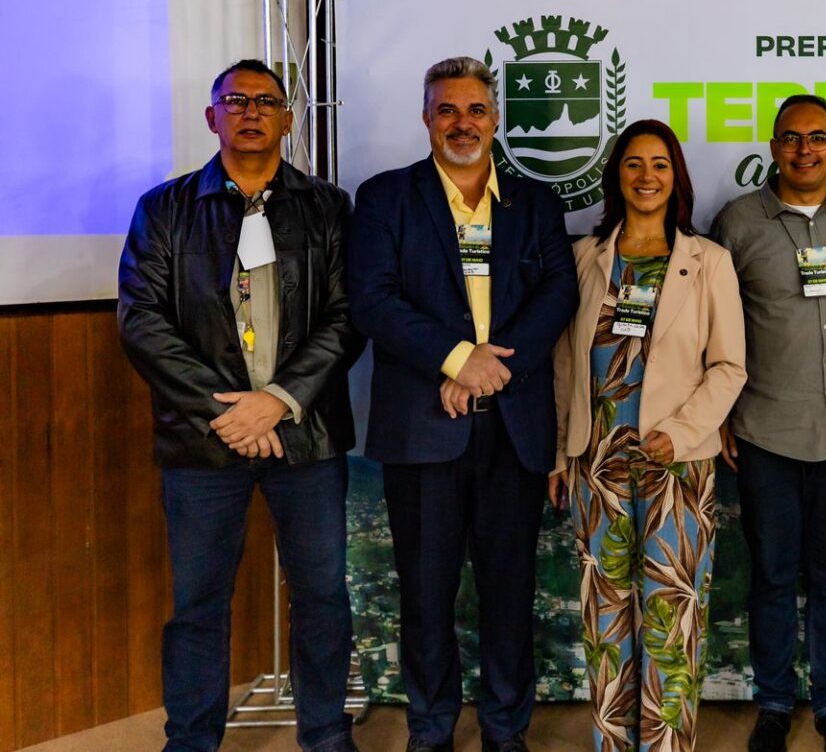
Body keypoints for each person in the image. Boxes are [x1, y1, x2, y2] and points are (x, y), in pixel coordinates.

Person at [118, 59, 360, 752]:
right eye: (235, 101)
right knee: (198, 605)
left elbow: (347, 316)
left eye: (266, 102)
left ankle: (326, 736)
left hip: (305, 435)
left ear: (287, 119)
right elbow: (142, 322)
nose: (251, 112)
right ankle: (191, 741)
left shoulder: (328, 207)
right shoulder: (163, 209)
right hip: (203, 440)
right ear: (212, 117)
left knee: (322, 597)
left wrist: (278, 401)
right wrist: (229, 412)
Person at [348, 56, 578, 752]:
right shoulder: (386, 197)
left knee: (510, 593)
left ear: (496, 118)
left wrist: (488, 371)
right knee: (425, 594)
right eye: (446, 109)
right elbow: (372, 299)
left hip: (512, 430)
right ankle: (431, 730)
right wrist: (456, 358)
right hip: (423, 429)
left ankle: (506, 730)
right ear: (425, 118)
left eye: (476, 109)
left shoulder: (535, 202)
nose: (462, 123)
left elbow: (558, 295)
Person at [548, 120, 747, 752]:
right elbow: (564, 363)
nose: (647, 176)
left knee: (671, 615)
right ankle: (613, 742)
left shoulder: (709, 261)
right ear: (616, 176)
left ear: (676, 177)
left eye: (659, 164)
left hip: (677, 465)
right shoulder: (585, 258)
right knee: (605, 615)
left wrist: (680, 434)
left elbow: (729, 367)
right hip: (595, 461)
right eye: (633, 164)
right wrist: (560, 454)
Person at [712, 94, 826, 752]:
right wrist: (720, 413)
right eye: (791, 138)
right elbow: (711, 320)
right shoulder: (738, 222)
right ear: (773, 146)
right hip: (765, 432)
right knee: (773, 575)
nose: (804, 150)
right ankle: (775, 703)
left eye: (817, 138)